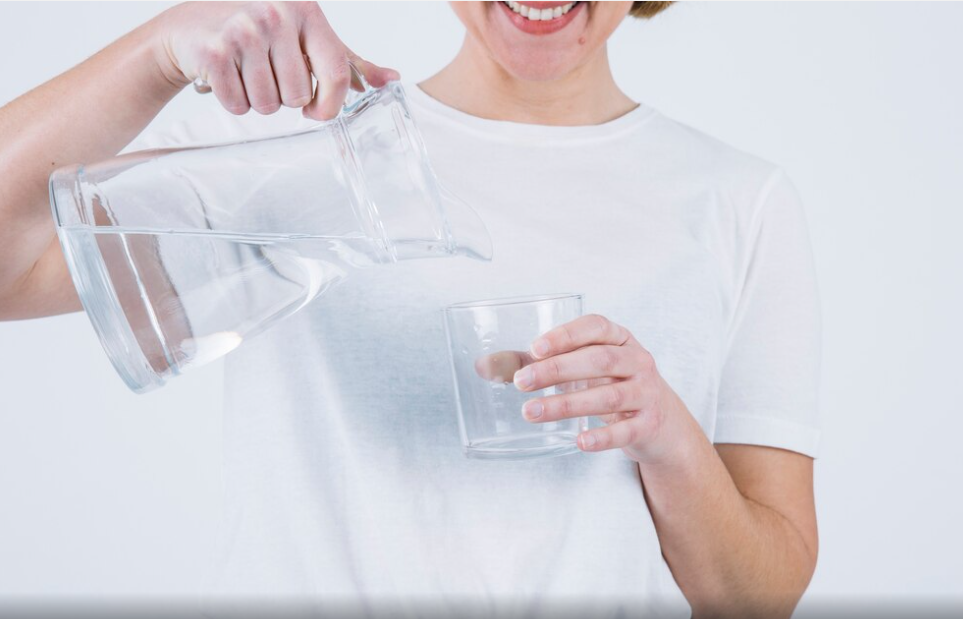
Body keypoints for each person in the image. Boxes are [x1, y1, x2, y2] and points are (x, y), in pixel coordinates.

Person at [0, 2, 821, 618]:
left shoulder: (736, 198)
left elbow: (760, 598)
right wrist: (159, 50)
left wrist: (665, 434)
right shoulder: (300, 148)